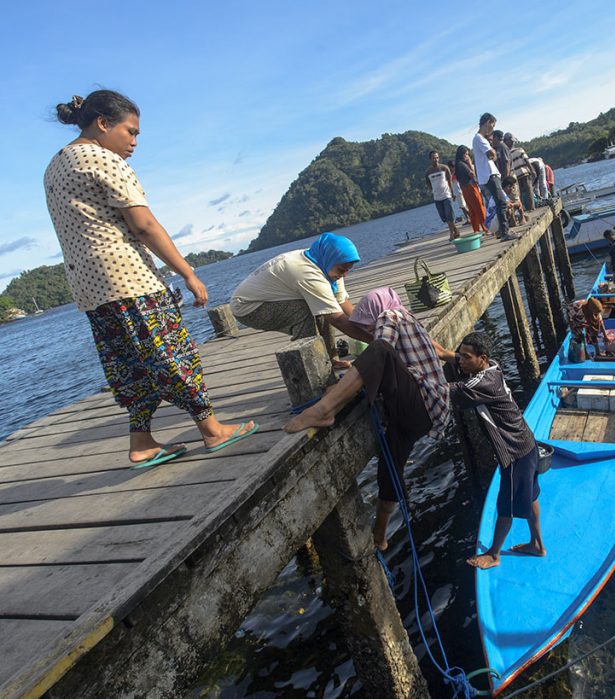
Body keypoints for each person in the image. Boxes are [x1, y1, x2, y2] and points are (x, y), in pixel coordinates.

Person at [44, 90, 257, 469]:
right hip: (128, 278)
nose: (135, 142)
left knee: (128, 365)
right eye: (131, 131)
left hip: (90, 288)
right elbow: (143, 225)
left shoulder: (56, 165)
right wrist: (188, 273)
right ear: (103, 124)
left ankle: (141, 441)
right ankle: (211, 429)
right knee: (172, 354)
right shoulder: (102, 158)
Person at [284, 288, 451, 551]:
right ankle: (380, 537)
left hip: (421, 404)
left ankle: (325, 409)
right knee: (389, 469)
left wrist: (342, 386)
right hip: (424, 414)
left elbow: (381, 349)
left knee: (379, 350)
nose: (370, 327)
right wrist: (356, 373)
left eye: (368, 323)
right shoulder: (408, 318)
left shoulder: (389, 314)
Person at [438, 332, 544, 568]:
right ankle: (537, 545)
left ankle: (494, 554)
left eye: (466, 358)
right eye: (461, 357)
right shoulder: (492, 367)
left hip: (515, 453)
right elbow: (446, 354)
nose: (461, 361)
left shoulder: (480, 384)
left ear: (481, 358)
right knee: (532, 496)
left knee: (504, 506)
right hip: (528, 445)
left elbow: (440, 390)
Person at [230, 233, 363, 366]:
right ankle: (317, 370)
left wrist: (366, 325)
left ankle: (331, 360)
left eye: (348, 270)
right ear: (330, 260)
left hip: (270, 298)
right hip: (247, 307)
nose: (344, 275)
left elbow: (341, 302)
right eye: (341, 270)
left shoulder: (328, 264)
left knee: (325, 306)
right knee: (305, 311)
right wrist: (374, 341)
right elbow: (337, 319)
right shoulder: (307, 272)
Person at [473, 113, 511, 239]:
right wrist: (493, 152)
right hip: (490, 175)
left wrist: (493, 154)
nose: (492, 130)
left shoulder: (480, 139)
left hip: (490, 174)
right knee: (501, 202)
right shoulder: (479, 138)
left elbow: (492, 155)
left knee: (499, 202)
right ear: (487, 122)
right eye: (492, 126)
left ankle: (502, 231)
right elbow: (491, 154)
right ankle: (505, 232)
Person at [425, 150, 459, 240]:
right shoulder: (428, 172)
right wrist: (432, 191)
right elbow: (428, 183)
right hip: (437, 197)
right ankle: (456, 230)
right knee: (444, 217)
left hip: (446, 195)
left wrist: (452, 193)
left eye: (437, 157)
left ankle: (451, 234)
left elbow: (450, 181)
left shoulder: (444, 168)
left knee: (449, 215)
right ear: (430, 159)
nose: (435, 159)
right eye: (433, 158)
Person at [455, 145, 487, 234]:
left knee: (472, 210)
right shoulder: (462, 164)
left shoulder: (458, 165)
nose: (467, 156)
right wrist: (470, 163)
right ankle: (486, 227)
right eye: (466, 154)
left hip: (465, 189)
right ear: (462, 155)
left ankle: (476, 230)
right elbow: (472, 174)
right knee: (479, 207)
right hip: (471, 188)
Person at [504, 133, 535, 211]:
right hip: (523, 173)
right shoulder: (519, 150)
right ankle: (531, 207)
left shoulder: (506, 153)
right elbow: (526, 160)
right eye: (512, 141)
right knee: (528, 191)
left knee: (520, 193)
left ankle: (525, 208)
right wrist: (532, 170)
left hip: (516, 175)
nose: (513, 142)